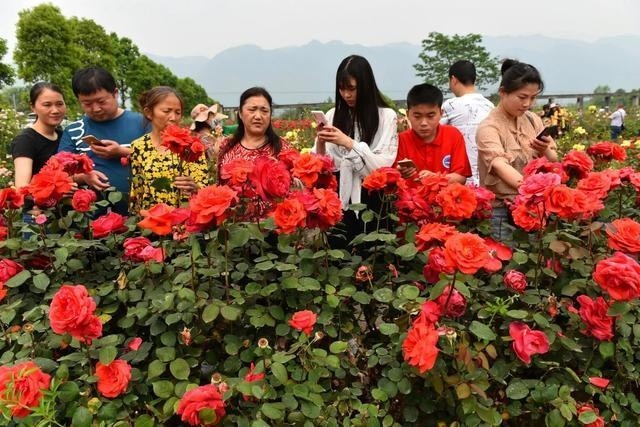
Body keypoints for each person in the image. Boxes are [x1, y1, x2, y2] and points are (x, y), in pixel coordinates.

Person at [313, 55, 398, 237]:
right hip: (339, 196)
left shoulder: (386, 116)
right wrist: (321, 142)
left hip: (374, 197)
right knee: (340, 252)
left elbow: (383, 163)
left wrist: (348, 143)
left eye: (352, 88)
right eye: (342, 89)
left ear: (366, 86)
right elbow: (324, 165)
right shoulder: (332, 114)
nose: (346, 95)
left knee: (373, 251)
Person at [476, 59, 557, 240]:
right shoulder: (488, 128)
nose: (527, 103)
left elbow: (554, 160)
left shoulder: (532, 120)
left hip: (534, 206)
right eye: (522, 97)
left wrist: (545, 150)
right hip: (501, 211)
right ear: (503, 93)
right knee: (506, 262)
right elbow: (499, 165)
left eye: (533, 97)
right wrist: (532, 189)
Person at [58, 66, 148, 214]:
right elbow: (59, 173)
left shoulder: (142, 123)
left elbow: (162, 158)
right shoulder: (74, 131)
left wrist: (121, 151)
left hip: (139, 216)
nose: (96, 108)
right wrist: (84, 177)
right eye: (87, 104)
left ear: (115, 93)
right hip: (91, 222)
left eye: (101, 101)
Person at [129, 86, 209, 214]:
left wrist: (195, 187)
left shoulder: (191, 145)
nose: (173, 117)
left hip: (186, 223)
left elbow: (204, 188)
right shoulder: (138, 146)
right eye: (167, 111)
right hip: (154, 223)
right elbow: (138, 191)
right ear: (149, 113)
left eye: (178, 112)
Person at [395, 83, 471, 184]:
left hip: (445, 198)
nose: (424, 123)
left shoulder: (453, 135)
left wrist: (436, 178)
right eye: (417, 116)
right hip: (410, 199)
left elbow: (461, 177)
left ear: (441, 113)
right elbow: (392, 177)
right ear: (408, 114)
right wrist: (399, 173)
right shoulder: (401, 140)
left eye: (430, 116)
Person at [440, 60, 494, 185]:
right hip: (487, 176)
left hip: (461, 176)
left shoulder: (450, 105)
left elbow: (433, 132)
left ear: (453, 79)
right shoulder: (490, 106)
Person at [217, 87, 292, 176]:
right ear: (240, 113)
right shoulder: (226, 146)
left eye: (264, 111)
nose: (258, 116)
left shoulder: (283, 149)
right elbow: (219, 184)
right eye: (252, 110)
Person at [11, 82, 66, 188]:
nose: (55, 110)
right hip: (39, 204)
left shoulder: (64, 136)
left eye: (59, 104)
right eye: (47, 105)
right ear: (33, 107)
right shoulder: (25, 140)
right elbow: (22, 188)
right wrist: (56, 191)